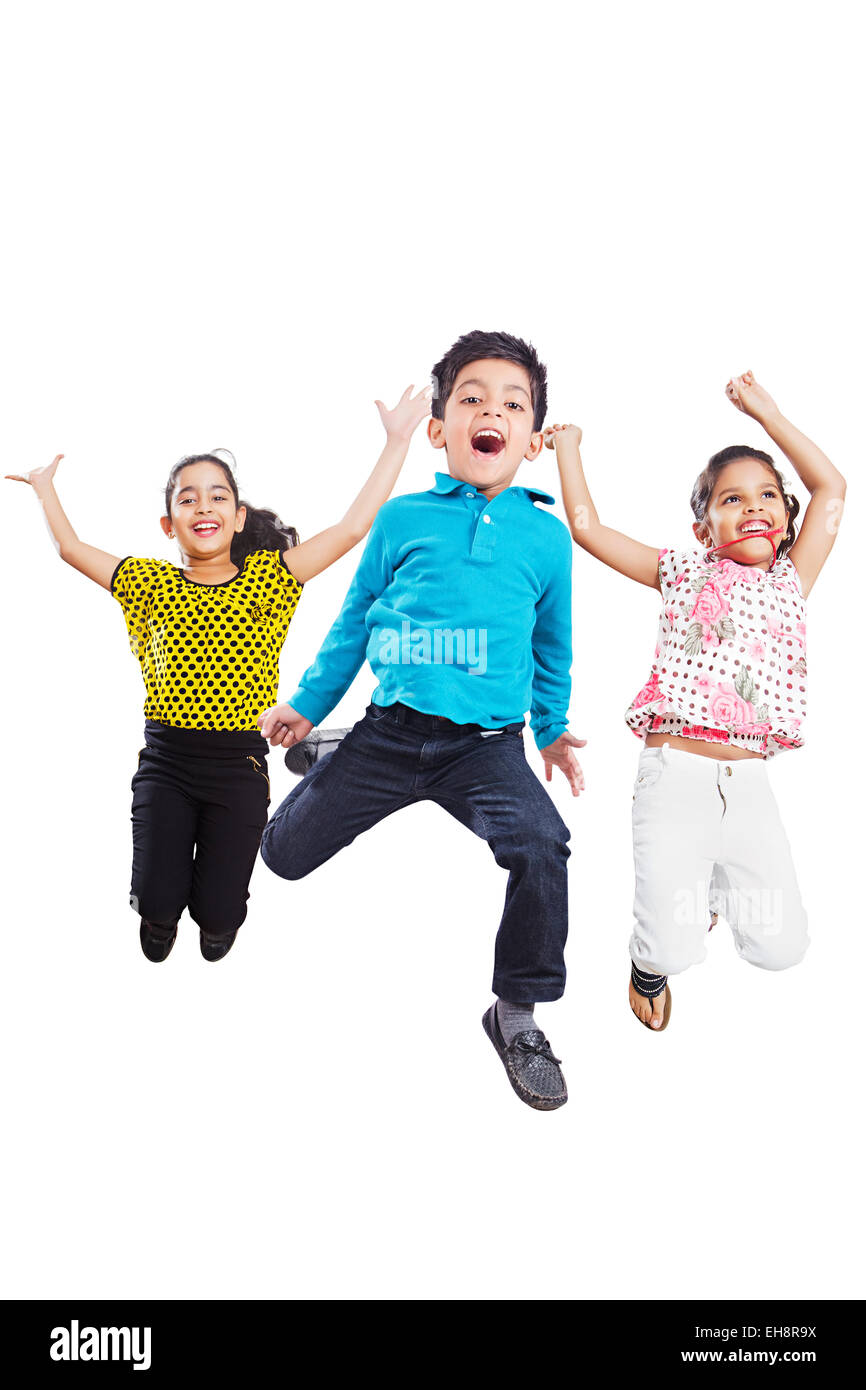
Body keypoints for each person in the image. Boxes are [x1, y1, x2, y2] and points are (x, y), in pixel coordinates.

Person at [257, 329, 585, 1111]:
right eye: (470, 398)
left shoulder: (547, 537)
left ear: (532, 439)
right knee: (282, 856)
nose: (490, 412)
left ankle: (517, 1013)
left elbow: (552, 643)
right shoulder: (404, 519)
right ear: (439, 429)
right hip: (390, 732)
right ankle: (334, 750)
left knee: (544, 846)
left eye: (512, 404)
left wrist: (551, 727)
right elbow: (354, 621)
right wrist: (306, 706)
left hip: (484, 751)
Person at [6, 386, 431, 962]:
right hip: (167, 761)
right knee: (158, 896)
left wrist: (397, 441)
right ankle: (157, 918)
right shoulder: (147, 583)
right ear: (168, 523)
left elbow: (353, 529)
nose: (203, 506)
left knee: (220, 911)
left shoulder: (271, 578)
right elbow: (71, 548)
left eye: (217, 497)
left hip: (239, 763)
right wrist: (44, 485)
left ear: (237, 517)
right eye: (187, 499)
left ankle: (218, 919)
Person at [546, 371, 846, 1030]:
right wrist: (568, 447)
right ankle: (647, 965)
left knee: (783, 948)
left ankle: (709, 883)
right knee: (672, 950)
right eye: (733, 500)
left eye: (768, 496)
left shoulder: (793, 580)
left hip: (749, 783)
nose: (755, 507)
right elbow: (590, 530)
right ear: (704, 528)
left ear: (785, 518)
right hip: (673, 776)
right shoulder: (682, 571)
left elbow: (834, 488)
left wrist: (771, 416)